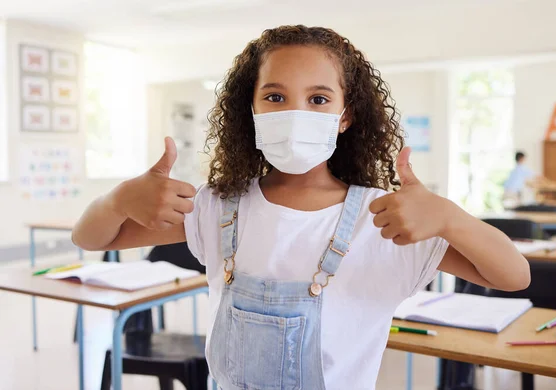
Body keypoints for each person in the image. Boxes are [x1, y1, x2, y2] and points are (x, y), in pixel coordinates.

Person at [72, 26, 530, 390]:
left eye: (318, 99)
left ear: (345, 115)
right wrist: (116, 200)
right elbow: (92, 238)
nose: (296, 113)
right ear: (249, 110)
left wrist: (450, 217)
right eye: (274, 97)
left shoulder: (382, 218)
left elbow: (511, 275)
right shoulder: (219, 207)